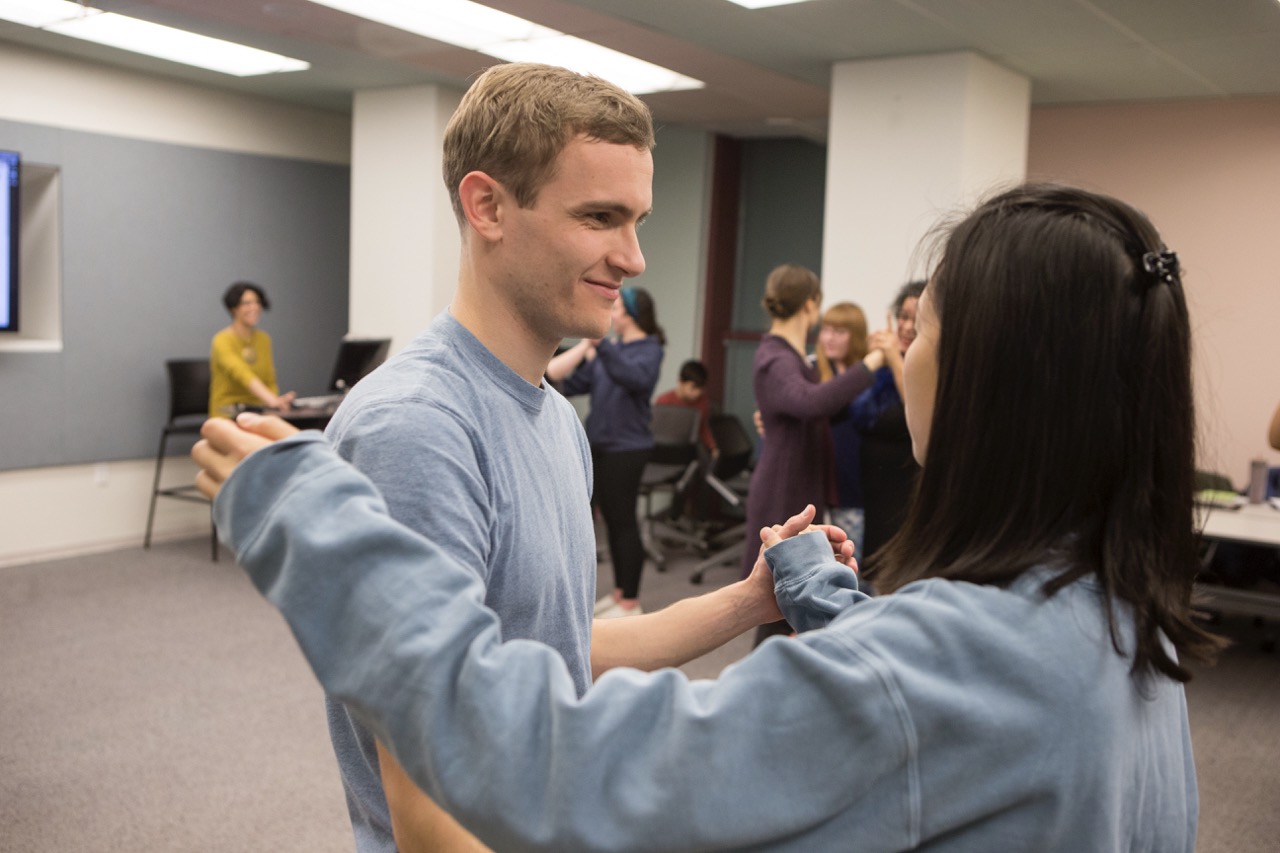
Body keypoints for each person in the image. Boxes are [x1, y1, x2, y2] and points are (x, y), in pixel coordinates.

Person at [196, 182, 1224, 852]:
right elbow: (935, 693)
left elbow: (529, 753)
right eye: (600, 216)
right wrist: (815, 594)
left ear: (985, 381)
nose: (896, 354)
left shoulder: (934, 669)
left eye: (917, 333)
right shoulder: (1117, 618)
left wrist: (306, 507)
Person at [313, 62, 794, 853]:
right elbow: (430, 814)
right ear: (488, 205)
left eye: (636, 219)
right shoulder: (417, 430)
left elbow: (562, 646)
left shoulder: (553, 417)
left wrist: (748, 601)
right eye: (601, 216)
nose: (635, 257)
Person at [742, 264, 885, 644]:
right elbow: (810, 403)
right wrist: (871, 363)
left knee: (784, 603)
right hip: (783, 491)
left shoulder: (785, 356)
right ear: (811, 305)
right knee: (775, 605)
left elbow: (809, 407)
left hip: (792, 486)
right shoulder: (779, 358)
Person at [547, 286, 665, 617]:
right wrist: (584, 348)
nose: (611, 314)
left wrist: (602, 348)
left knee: (623, 521)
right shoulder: (608, 351)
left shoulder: (649, 350)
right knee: (606, 523)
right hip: (598, 446)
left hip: (627, 449)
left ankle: (631, 601)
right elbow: (564, 380)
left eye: (616, 309)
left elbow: (634, 379)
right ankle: (619, 593)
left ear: (629, 314)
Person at [852, 280, 925, 567]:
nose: (906, 326)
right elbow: (851, 411)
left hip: (905, 489)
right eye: (903, 317)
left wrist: (896, 360)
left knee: (895, 567)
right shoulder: (884, 361)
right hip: (871, 487)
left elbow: (917, 412)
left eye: (916, 319)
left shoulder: (931, 363)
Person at [814, 301, 871, 558]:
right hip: (816, 482)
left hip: (853, 486)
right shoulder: (810, 371)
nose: (829, 338)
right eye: (826, 329)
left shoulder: (868, 376)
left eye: (839, 331)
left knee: (850, 559)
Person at [208, 281, 295, 417]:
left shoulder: (263, 339)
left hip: (260, 411)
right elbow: (242, 374)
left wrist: (277, 402)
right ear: (233, 308)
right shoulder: (221, 340)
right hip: (228, 413)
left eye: (257, 302)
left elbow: (270, 380)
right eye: (247, 303)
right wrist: (271, 400)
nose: (254, 307)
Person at [654, 358, 718, 456]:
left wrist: (713, 447)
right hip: (665, 449)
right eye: (693, 387)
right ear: (680, 382)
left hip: (689, 450)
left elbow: (703, 428)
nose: (697, 393)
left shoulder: (703, 403)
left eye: (700, 389)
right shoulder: (664, 401)